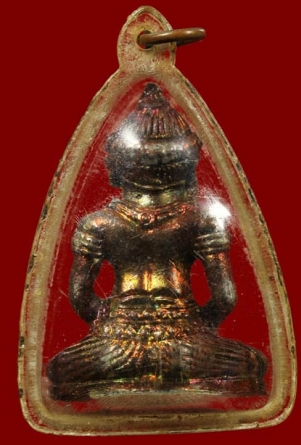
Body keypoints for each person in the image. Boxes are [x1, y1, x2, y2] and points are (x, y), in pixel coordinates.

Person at [47, 83, 267, 401]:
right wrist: (196, 327)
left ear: (119, 167)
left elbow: (80, 297)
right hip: (186, 345)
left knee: (60, 368)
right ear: (186, 164)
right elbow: (225, 297)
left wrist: (111, 324)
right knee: (252, 363)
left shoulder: (98, 223)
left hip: (115, 347)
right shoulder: (201, 220)